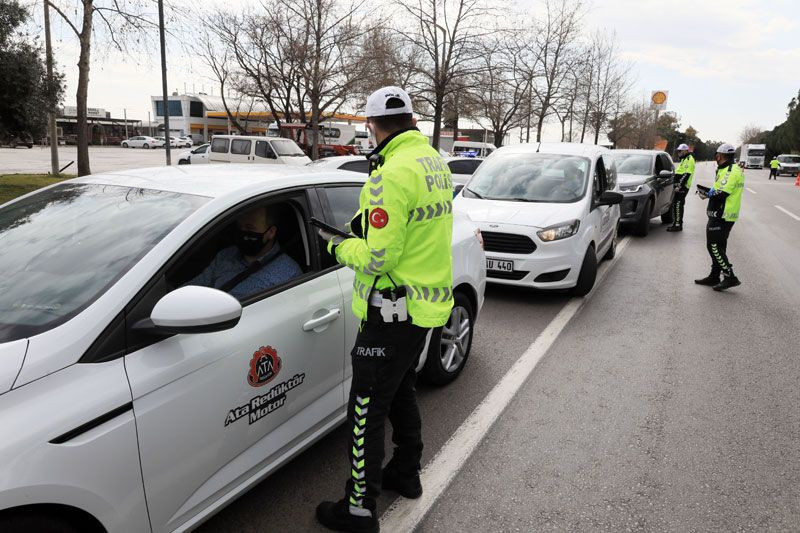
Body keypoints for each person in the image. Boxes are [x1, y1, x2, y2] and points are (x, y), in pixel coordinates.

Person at [316, 86, 454, 533]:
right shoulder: (433, 162)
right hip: (422, 308)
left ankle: (359, 508)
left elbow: (379, 258)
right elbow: (412, 225)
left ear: (371, 126)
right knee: (400, 391)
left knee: (366, 410)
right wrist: (363, 225)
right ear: (412, 121)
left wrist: (338, 246)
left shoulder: (388, 175)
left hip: (389, 311)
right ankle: (406, 472)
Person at [189, 206, 302, 299]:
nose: (243, 232)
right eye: (240, 227)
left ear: (271, 232)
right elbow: (195, 286)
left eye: (250, 228)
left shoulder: (288, 274)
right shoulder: (226, 255)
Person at [694, 143, 744, 291]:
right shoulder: (725, 169)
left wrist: (707, 194)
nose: (716, 157)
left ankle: (730, 276)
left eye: (717, 154)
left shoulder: (730, 171)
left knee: (714, 246)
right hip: (721, 213)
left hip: (723, 215)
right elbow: (721, 189)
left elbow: (722, 194)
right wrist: (709, 192)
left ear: (720, 155)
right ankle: (714, 276)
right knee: (719, 246)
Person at [667, 143, 695, 232]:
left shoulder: (689, 159)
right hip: (679, 186)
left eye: (680, 151)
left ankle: (678, 225)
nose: (678, 153)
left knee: (678, 205)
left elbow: (686, 174)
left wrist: (679, 185)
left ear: (686, 151)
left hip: (683, 187)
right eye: (678, 151)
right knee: (676, 205)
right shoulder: (684, 159)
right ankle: (676, 223)